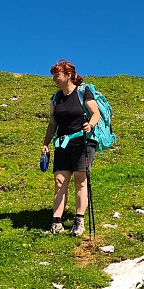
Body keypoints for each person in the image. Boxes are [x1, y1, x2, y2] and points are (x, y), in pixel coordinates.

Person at [41, 59, 101, 236]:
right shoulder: (56, 98)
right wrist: (45, 143)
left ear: (68, 75)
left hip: (83, 142)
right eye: (53, 75)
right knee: (59, 182)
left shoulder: (83, 92)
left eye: (57, 74)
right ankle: (56, 222)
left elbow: (95, 113)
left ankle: (79, 220)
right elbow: (53, 124)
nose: (54, 78)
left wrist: (90, 125)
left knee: (80, 181)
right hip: (62, 144)